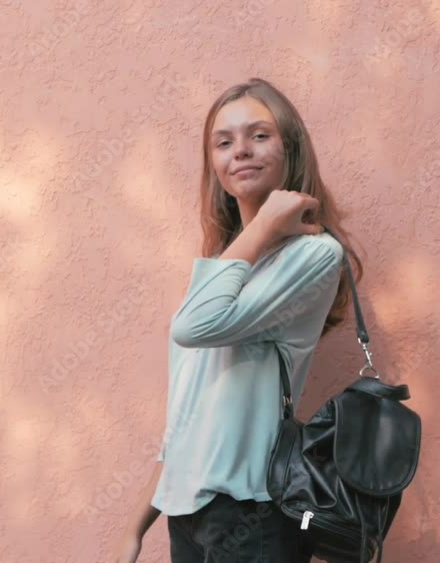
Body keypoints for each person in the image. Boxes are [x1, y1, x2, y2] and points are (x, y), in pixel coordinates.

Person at [110, 77, 364, 563]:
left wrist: (266, 224)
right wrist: (137, 526)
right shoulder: (224, 268)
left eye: (259, 135)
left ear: (291, 148)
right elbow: (185, 418)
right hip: (188, 515)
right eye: (223, 143)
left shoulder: (313, 255)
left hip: (252, 515)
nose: (241, 151)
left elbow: (192, 327)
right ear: (214, 167)